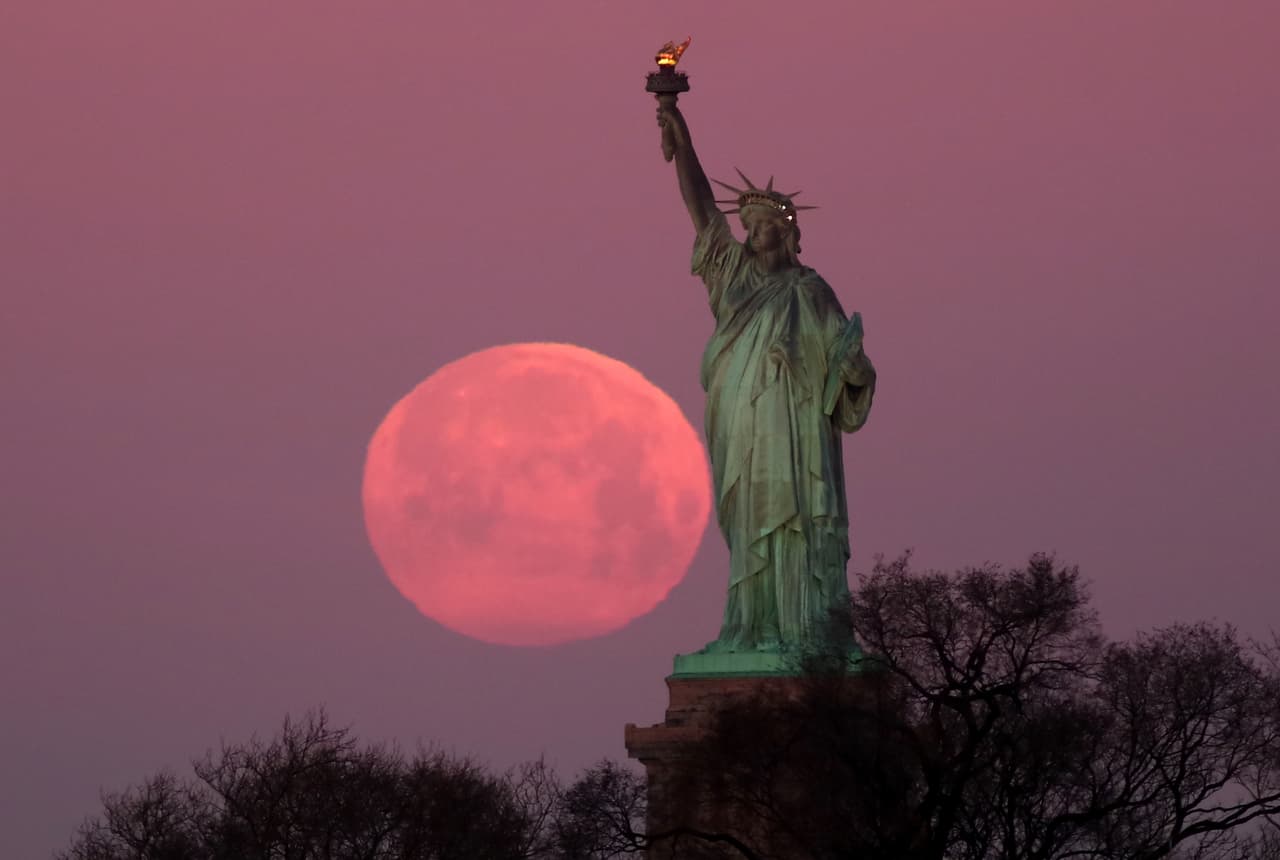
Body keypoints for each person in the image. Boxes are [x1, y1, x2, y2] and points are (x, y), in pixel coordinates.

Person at [657, 102, 876, 652]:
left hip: (797, 424)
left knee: (797, 514)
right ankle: (751, 627)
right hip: (741, 413)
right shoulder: (729, 273)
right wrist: (681, 135)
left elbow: (845, 357)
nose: (753, 234)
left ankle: (805, 631)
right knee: (752, 511)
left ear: (788, 233)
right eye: (748, 226)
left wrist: (852, 368)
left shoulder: (811, 290)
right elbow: (702, 207)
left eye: (764, 227)